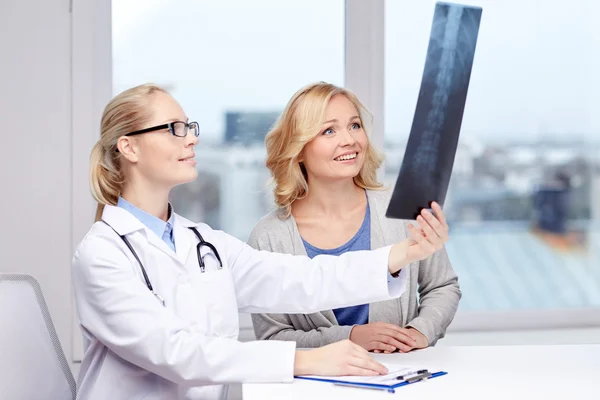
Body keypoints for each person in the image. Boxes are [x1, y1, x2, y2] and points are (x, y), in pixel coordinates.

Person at [71, 83, 450, 400]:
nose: (193, 138)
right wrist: (304, 360)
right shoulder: (102, 254)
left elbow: (302, 278)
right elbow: (176, 352)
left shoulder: (204, 242)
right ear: (129, 147)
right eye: (174, 128)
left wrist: (403, 253)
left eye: (190, 126)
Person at [250, 82, 460, 354]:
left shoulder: (401, 212)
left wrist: (420, 332)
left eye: (354, 125)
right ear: (298, 149)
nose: (349, 140)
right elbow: (272, 338)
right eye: (328, 130)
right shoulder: (269, 237)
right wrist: (349, 338)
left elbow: (443, 285)